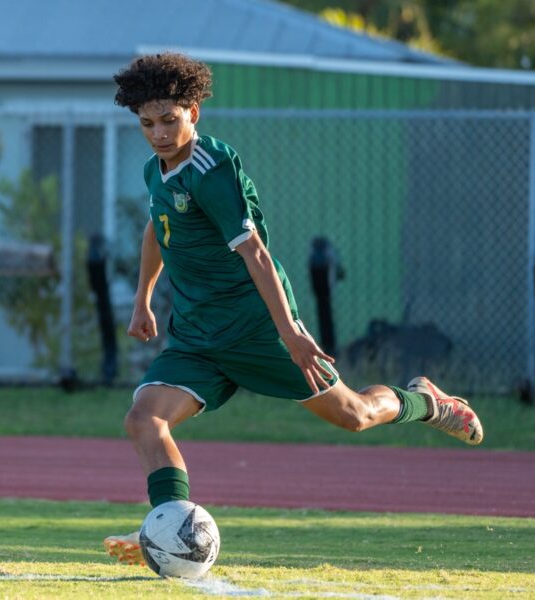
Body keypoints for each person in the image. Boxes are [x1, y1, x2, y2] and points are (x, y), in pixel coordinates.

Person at [104, 53, 483, 566]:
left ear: (194, 111)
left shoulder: (211, 172)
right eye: (147, 123)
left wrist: (290, 334)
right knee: (143, 419)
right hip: (197, 333)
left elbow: (256, 254)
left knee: (355, 415)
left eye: (169, 119)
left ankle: (426, 401)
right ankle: (170, 529)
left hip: (257, 327)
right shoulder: (158, 168)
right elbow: (157, 226)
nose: (158, 133)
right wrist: (144, 299)